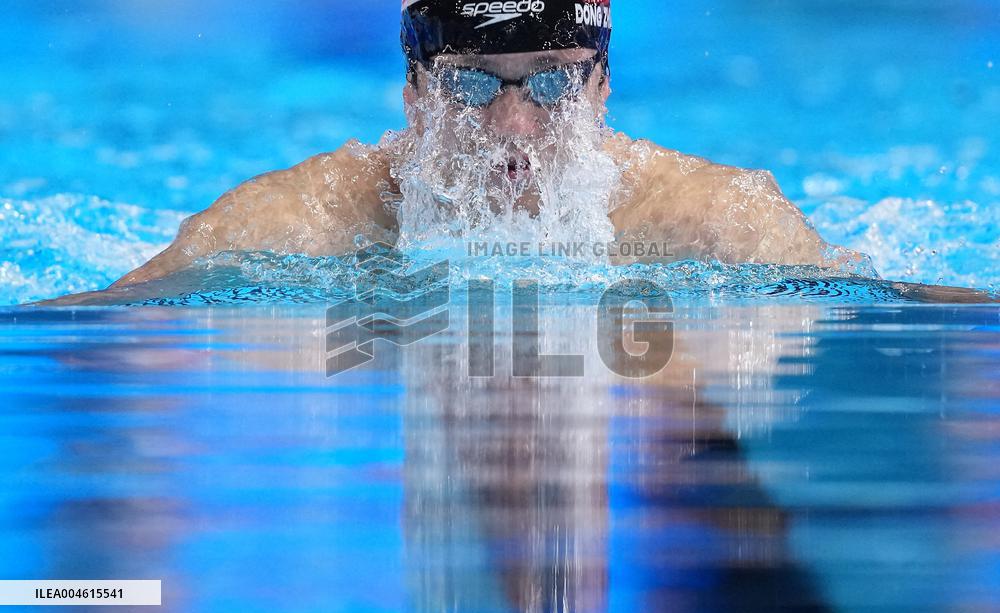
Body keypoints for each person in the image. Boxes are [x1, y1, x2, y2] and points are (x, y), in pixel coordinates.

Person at [43, 0, 993, 305]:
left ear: (602, 90)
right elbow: (88, 319)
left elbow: (896, 302)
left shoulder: (710, 219)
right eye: (469, 86)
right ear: (414, 95)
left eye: (550, 84)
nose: (512, 127)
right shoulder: (298, 220)